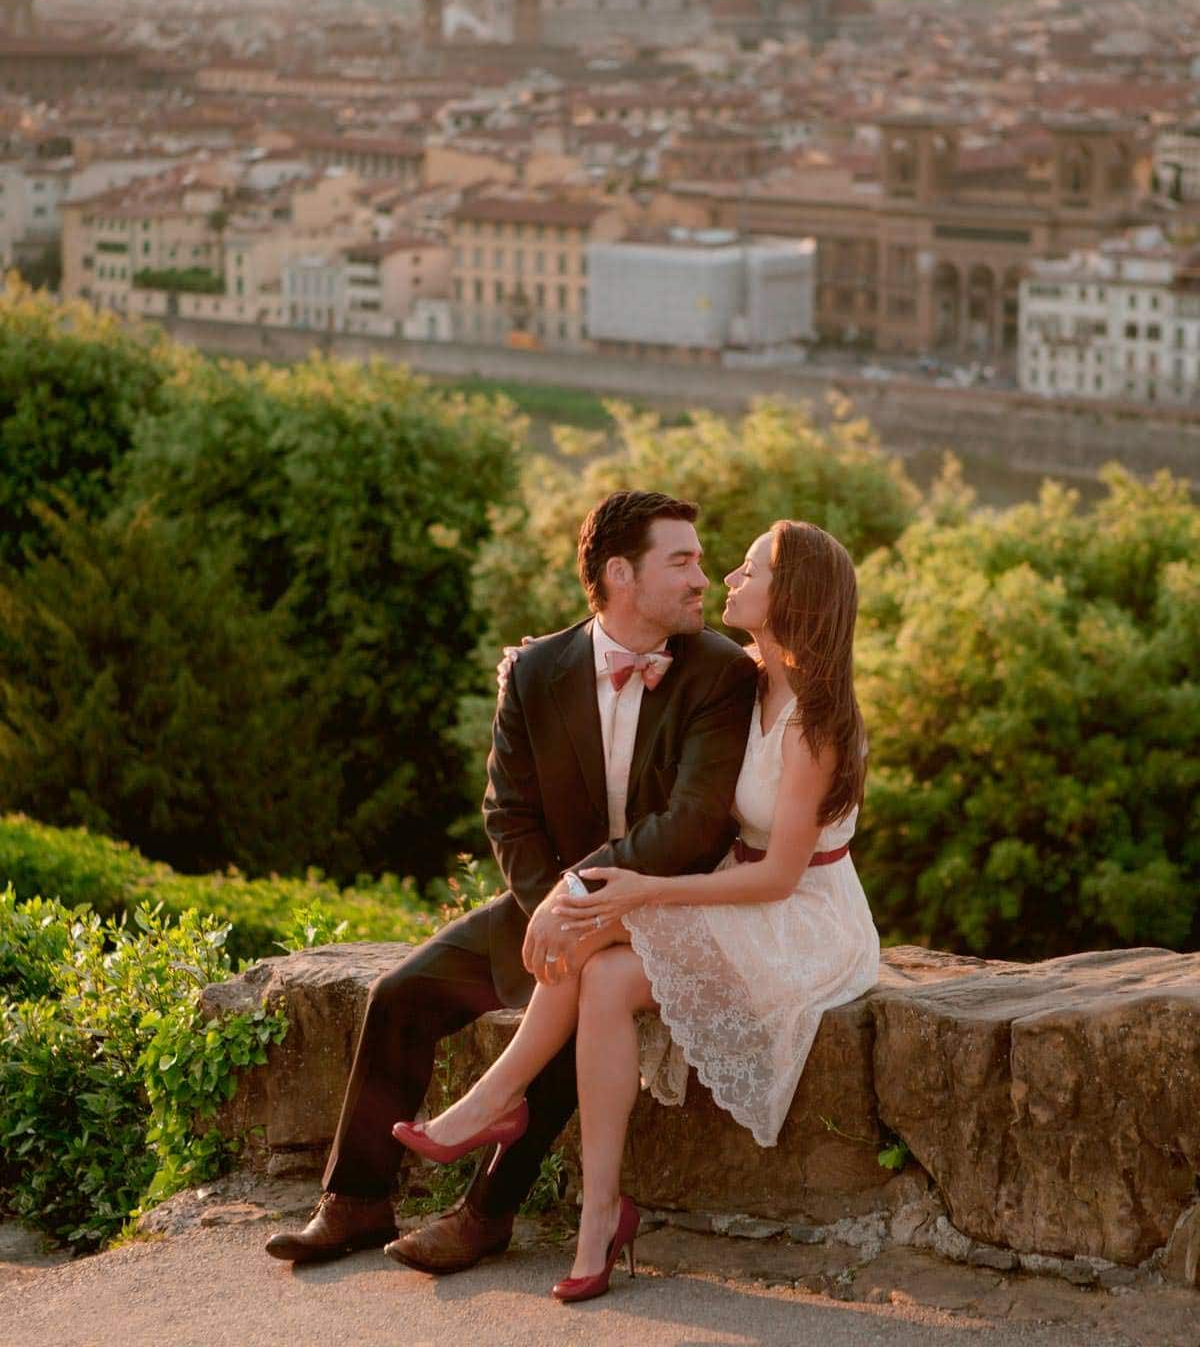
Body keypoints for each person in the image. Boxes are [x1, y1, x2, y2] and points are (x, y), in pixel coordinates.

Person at [265, 489, 758, 1269]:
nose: (704, 578)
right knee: (401, 994)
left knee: (577, 1024)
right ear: (621, 574)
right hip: (544, 901)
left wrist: (578, 901)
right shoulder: (535, 670)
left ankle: (486, 1214)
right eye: (684, 561)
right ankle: (356, 1200)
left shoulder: (722, 674)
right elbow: (508, 815)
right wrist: (549, 908)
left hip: (659, 906)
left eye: (700, 560)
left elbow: (693, 824)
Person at [400, 520, 879, 1302]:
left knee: (604, 928)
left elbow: (779, 878)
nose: (727, 576)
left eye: (749, 568)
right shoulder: (743, 678)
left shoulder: (817, 723)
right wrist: (525, 662)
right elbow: (613, 651)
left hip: (802, 914)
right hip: (738, 890)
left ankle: (496, 1103)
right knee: (606, 975)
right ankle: (598, 1209)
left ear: (787, 594)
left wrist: (645, 890)